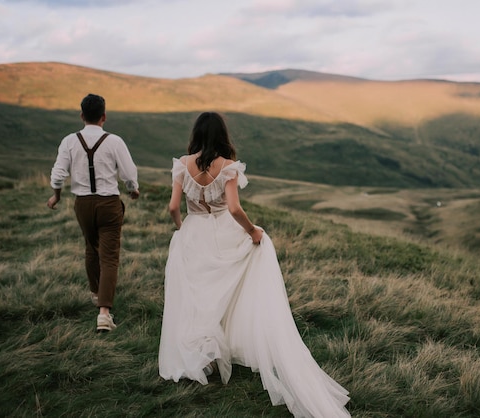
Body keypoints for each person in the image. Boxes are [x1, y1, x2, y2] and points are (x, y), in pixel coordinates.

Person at [158, 112, 350, 417]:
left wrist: (182, 228)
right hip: (224, 231)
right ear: (222, 135)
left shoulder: (182, 164)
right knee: (231, 287)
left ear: (196, 134)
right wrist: (253, 232)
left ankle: (205, 355)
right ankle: (226, 345)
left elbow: (172, 207)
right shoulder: (228, 167)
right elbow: (234, 208)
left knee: (200, 294)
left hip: (195, 231)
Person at [47, 93, 139, 332]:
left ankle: (95, 294)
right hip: (108, 203)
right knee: (109, 257)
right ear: (104, 116)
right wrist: (133, 190)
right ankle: (104, 313)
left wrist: (56, 195)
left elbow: (58, 174)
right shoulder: (115, 141)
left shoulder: (69, 141)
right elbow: (129, 173)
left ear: (81, 115)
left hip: (83, 204)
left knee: (91, 248)